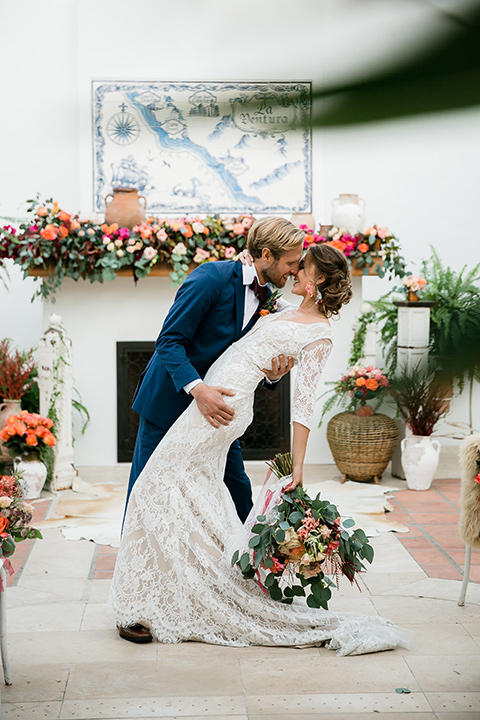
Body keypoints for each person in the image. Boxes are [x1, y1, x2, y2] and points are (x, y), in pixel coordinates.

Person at [109, 243, 408, 655]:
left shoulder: (319, 333)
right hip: (206, 399)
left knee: (157, 485)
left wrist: (298, 466)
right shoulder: (279, 303)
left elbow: (304, 402)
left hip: (225, 405)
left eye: (301, 267)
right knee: (192, 490)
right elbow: (248, 341)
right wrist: (271, 367)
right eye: (292, 262)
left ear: (316, 279)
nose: (293, 270)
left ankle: (175, 595)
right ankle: (191, 586)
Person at [118, 217, 303, 642]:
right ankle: (134, 605)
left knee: (239, 493)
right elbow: (169, 342)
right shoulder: (208, 279)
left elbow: (247, 354)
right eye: (291, 262)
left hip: (217, 418)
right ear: (266, 255)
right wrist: (198, 389)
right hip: (170, 407)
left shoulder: (269, 296)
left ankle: (254, 585)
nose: (295, 270)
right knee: (145, 494)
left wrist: (275, 374)